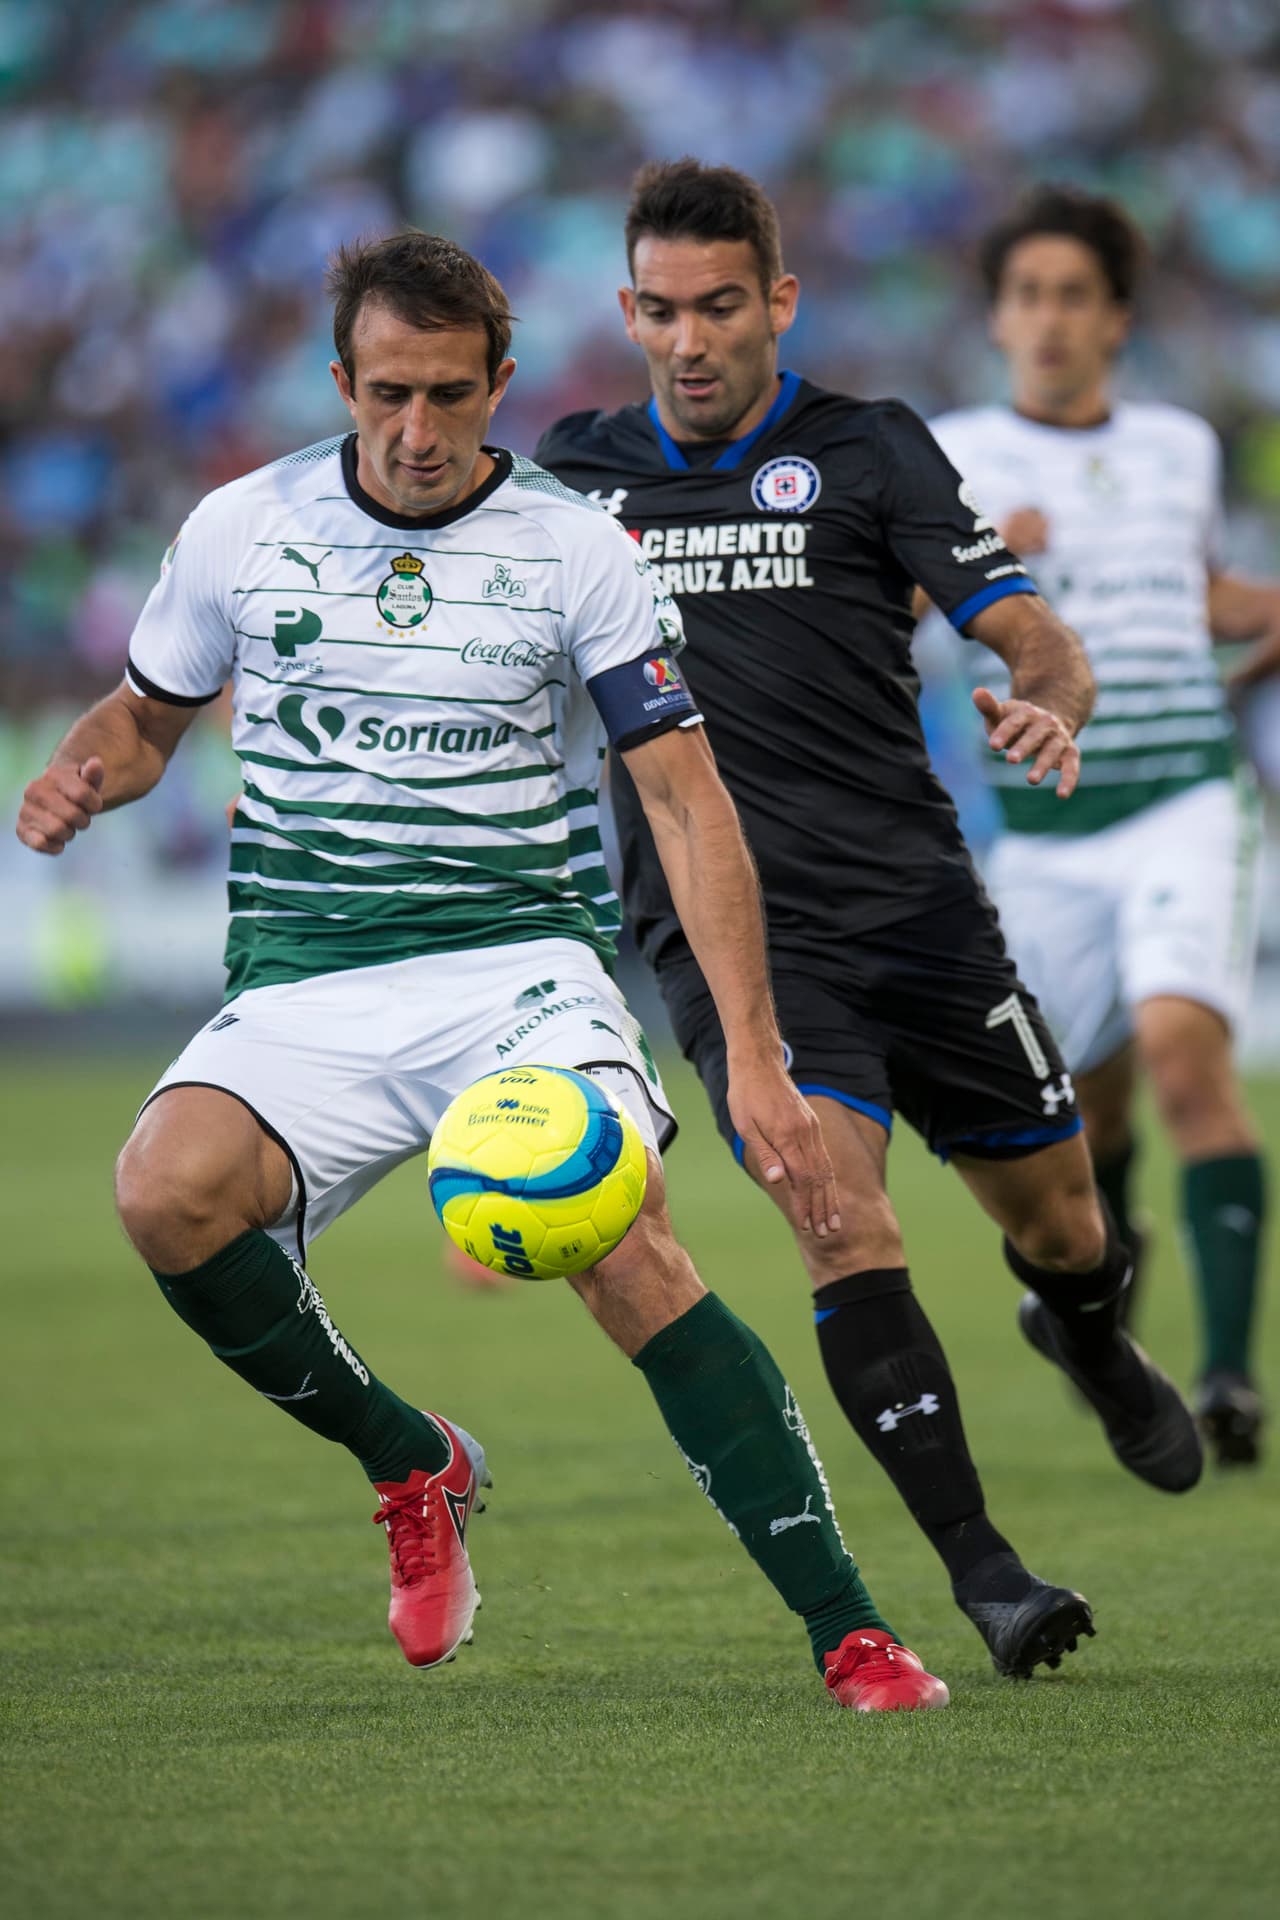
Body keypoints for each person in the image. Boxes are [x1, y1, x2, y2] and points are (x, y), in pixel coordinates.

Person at [15, 230, 947, 1713]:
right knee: (162, 1191)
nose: (418, 430)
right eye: (389, 394)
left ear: (500, 386)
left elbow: (689, 804)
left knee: (619, 1236)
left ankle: (851, 1631)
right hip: (306, 975)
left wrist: (756, 1058)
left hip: (514, 966)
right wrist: (85, 770)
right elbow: (143, 720)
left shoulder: (577, 549)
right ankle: (413, 1461)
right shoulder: (240, 528)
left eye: (452, 396)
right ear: (341, 382)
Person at [536, 159, 1203, 1682]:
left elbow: (1026, 628)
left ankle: (1089, 1332)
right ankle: (988, 1576)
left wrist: (1049, 699)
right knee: (840, 1219)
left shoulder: (871, 448)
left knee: (1064, 1222)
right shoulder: (569, 484)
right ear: (626, 312)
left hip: (919, 911)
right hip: (738, 949)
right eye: (660, 310)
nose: (690, 340)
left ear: (780, 300)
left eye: (720, 306)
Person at [930, 185, 1276, 1468]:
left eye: (1073, 294)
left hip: (1181, 791)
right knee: (1082, 1099)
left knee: (1186, 1059)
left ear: (1115, 318)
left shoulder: (1178, 445)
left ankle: (1231, 1380)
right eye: (1027, 295)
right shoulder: (946, 450)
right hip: (1042, 824)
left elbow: (1192, 594)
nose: (1049, 319)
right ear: (996, 318)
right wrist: (973, 568)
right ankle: (1096, 1321)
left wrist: (1254, 621)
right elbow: (894, 608)